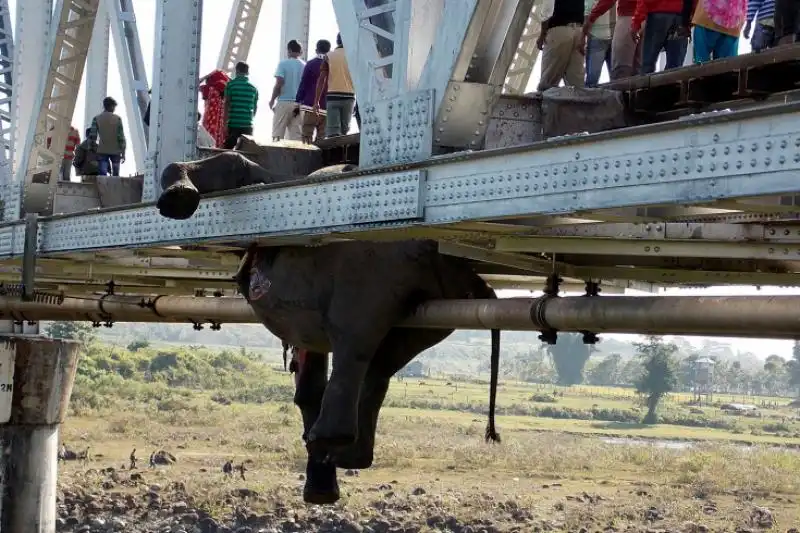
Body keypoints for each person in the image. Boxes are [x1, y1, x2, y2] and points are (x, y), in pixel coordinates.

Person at [585, 0, 642, 79]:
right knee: (639, 69)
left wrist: (592, 17)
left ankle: (622, 90)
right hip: (647, 18)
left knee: (621, 70)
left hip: (628, 18)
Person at [537, 0, 586, 91]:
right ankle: (578, 103)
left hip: (559, 30)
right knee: (576, 83)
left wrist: (542, 34)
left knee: (548, 80)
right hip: (578, 31)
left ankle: (546, 103)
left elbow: (547, 11)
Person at [631, 0, 691, 75]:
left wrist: (636, 22)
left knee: (647, 66)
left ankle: (648, 86)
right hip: (681, 18)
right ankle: (670, 86)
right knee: (675, 67)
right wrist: (689, 18)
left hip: (657, 16)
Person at [314, 33, 356, 138]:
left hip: (333, 97)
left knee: (333, 133)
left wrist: (316, 101)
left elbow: (321, 79)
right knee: (344, 131)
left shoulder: (329, 56)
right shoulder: (354, 55)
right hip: (349, 97)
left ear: (337, 41)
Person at [296, 39, 331, 143]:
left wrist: (298, 100)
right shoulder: (332, 64)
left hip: (311, 106)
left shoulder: (310, 64)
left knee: (306, 137)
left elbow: (304, 83)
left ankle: (306, 158)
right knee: (322, 139)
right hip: (327, 107)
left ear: (316, 50)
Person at [270, 40, 305, 141]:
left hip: (284, 102)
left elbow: (279, 83)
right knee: (297, 136)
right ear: (300, 51)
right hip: (299, 104)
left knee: (277, 134)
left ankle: (276, 156)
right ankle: (297, 156)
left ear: (289, 50)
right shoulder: (305, 65)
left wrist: (272, 100)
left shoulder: (283, 64)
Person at [223, 62, 259, 149]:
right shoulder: (254, 88)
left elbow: (227, 103)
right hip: (248, 125)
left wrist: (225, 123)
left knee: (227, 151)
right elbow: (255, 108)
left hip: (234, 124)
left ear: (237, 70)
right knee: (246, 152)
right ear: (247, 72)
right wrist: (249, 119)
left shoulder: (231, 85)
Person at [89, 97, 126, 176]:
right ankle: (115, 187)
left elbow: (92, 136)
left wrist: (92, 150)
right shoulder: (117, 119)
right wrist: (123, 152)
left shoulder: (96, 119)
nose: (114, 109)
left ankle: (103, 188)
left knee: (102, 175)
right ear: (111, 106)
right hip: (116, 151)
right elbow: (121, 137)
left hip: (102, 150)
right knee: (116, 175)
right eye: (114, 107)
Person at [584, 0, 615, 86]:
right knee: (593, 79)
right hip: (603, 36)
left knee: (592, 80)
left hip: (603, 37)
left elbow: (587, 16)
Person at [199, 70, 231, 147]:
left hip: (208, 125)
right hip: (222, 127)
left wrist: (207, 75)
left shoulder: (208, 88)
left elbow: (194, 83)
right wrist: (228, 77)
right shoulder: (227, 91)